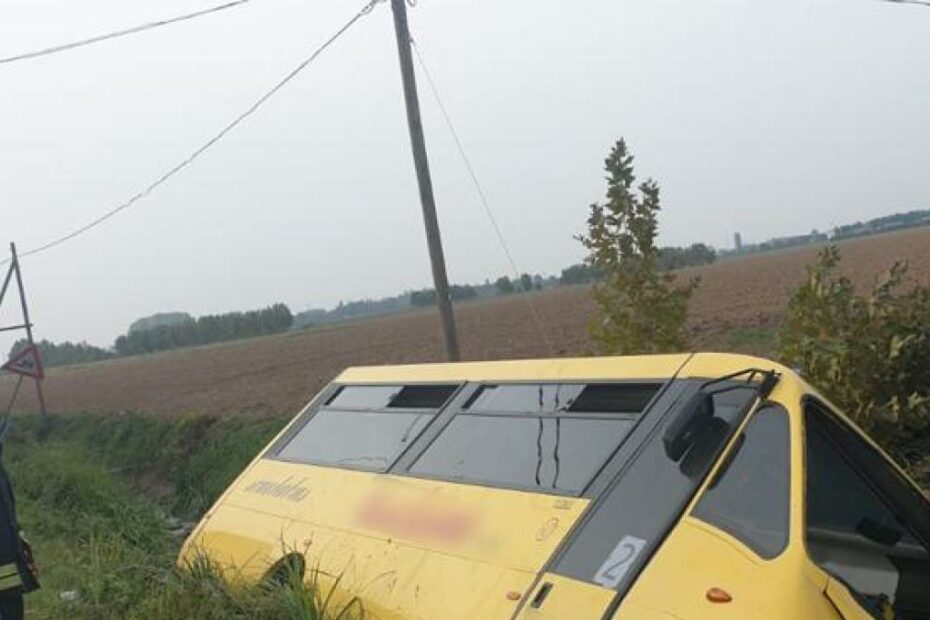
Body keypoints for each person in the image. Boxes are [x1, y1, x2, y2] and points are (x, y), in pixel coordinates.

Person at [0, 440, 38, 620]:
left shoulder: (1, 473)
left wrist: (22, 546)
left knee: (12, 606)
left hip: (8, 560)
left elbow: (11, 516)